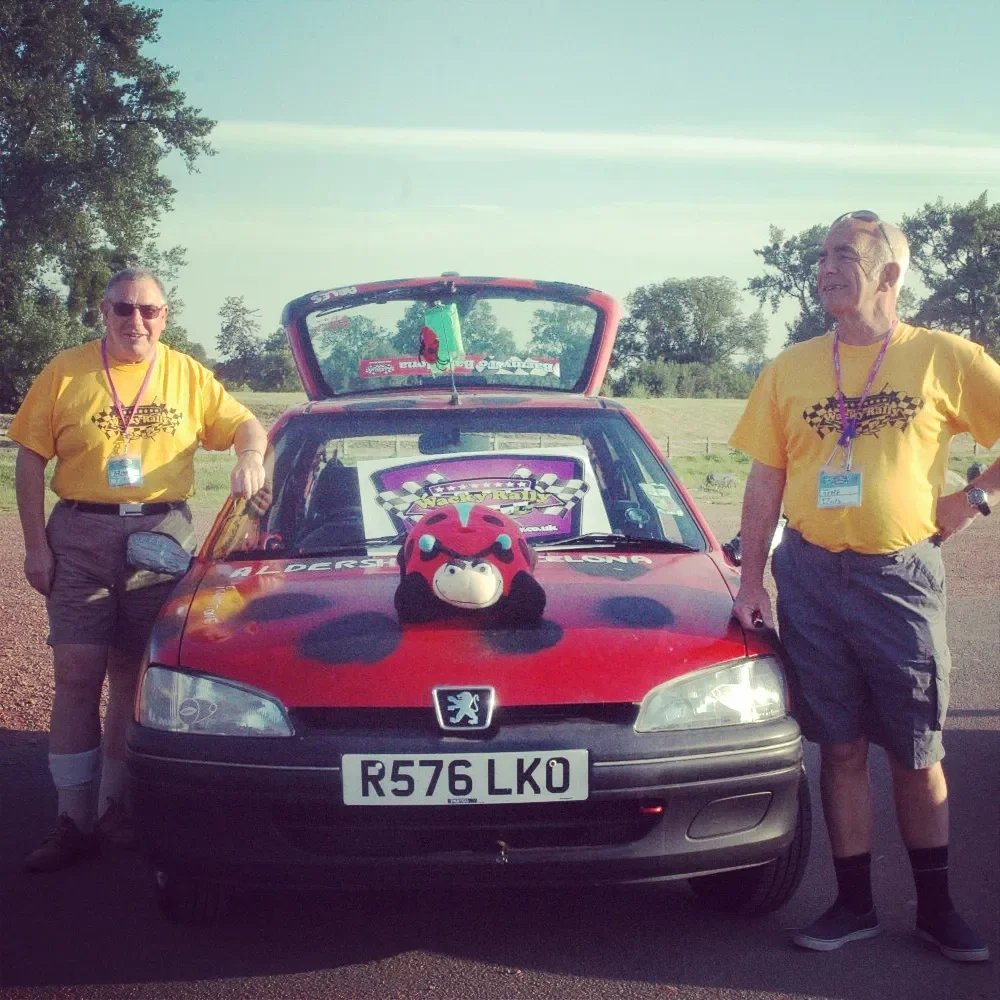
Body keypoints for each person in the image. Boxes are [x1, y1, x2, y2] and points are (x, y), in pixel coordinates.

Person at [729, 211, 1000, 963]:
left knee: (917, 750)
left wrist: (973, 498)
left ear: (890, 272)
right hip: (810, 575)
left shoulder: (944, 357)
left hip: (899, 576)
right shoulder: (790, 367)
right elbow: (766, 476)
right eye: (820, 257)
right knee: (840, 748)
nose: (824, 268)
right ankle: (852, 906)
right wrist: (753, 578)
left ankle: (938, 908)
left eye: (843, 255)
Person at [9, 268, 268, 873]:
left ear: (165, 316)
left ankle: (114, 808)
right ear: (104, 312)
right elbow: (28, 462)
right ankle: (70, 819)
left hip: (160, 534)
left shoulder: (186, 373)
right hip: (80, 530)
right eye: (124, 309)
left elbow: (245, 424)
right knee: (76, 672)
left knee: (132, 674)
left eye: (149, 311)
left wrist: (251, 457)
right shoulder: (66, 371)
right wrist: (34, 547)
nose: (137, 322)